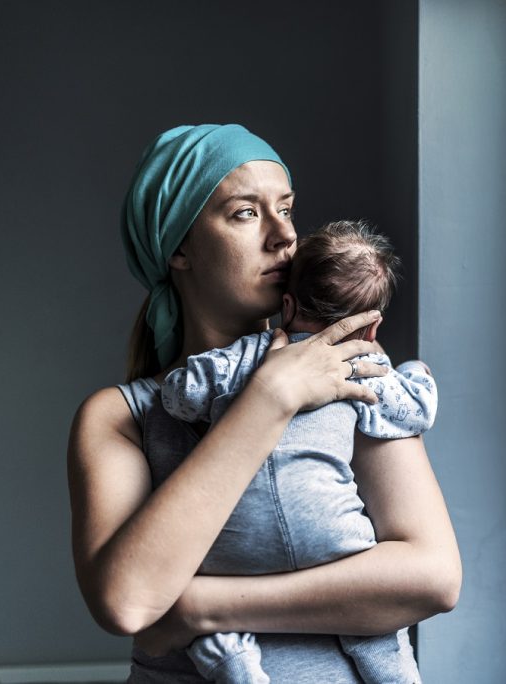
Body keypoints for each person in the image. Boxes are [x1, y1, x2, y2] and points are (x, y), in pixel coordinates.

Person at [67, 124, 461, 683]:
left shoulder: (346, 367)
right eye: (246, 213)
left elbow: (433, 577)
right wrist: (270, 398)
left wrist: (203, 606)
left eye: (287, 209)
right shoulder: (119, 417)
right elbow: (128, 602)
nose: (284, 237)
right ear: (178, 246)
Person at [163, 220, 437, 683]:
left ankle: (232, 658)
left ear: (287, 305)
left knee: (215, 632)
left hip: (235, 555)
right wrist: (413, 372)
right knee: (375, 633)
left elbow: (180, 395)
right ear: (372, 328)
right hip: (333, 545)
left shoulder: (249, 354)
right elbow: (415, 412)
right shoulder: (366, 367)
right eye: (247, 212)